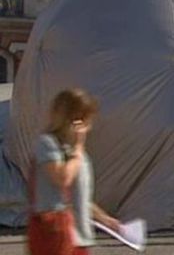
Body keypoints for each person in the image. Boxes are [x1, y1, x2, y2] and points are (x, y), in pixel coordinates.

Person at [27, 88, 120, 255]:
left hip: (79, 235)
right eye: (87, 121)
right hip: (56, 232)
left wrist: (105, 219)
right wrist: (78, 147)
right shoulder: (48, 144)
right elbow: (63, 179)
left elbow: (79, 195)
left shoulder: (77, 154)